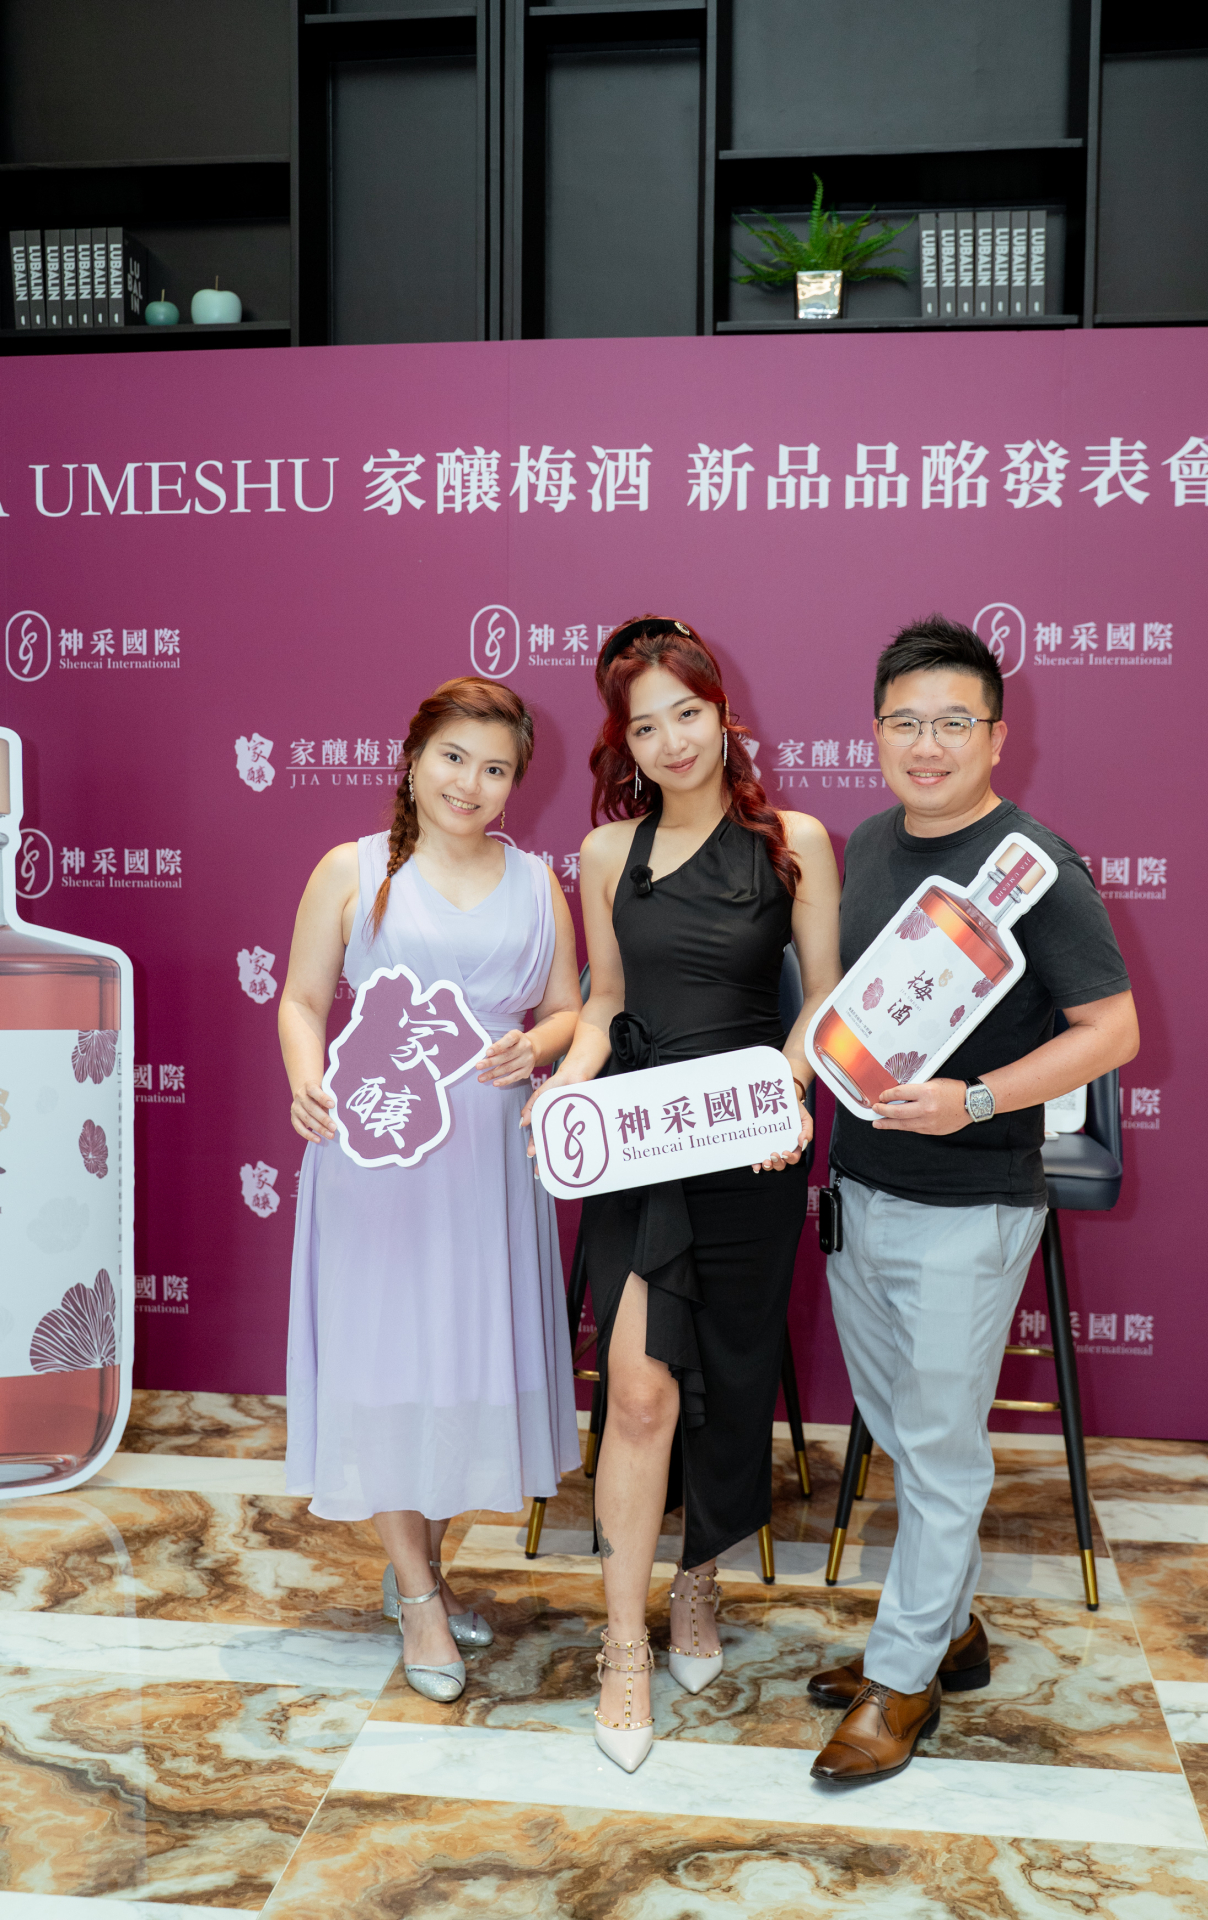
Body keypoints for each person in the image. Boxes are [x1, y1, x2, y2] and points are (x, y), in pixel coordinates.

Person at [807, 615, 1138, 1785]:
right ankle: (946, 1630)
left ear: (996, 735)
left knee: (941, 1449)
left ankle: (900, 1683)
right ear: (874, 734)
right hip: (857, 1190)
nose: (927, 743)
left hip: (970, 1204)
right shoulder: (867, 843)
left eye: (952, 721)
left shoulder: (1034, 867)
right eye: (904, 721)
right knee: (901, 1432)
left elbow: (1111, 1029)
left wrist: (978, 1099)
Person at [527, 617, 842, 1773]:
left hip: (748, 1144)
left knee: (729, 1379)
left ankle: (697, 1578)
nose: (670, 741)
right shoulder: (608, 853)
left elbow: (822, 1000)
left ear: (722, 715)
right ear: (624, 741)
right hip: (638, 1140)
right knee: (639, 1391)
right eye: (645, 725)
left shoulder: (794, 842)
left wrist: (786, 1091)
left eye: (687, 715)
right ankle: (622, 1646)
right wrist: (565, 1089)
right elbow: (605, 1006)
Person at [280, 677, 583, 1702]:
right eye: (453, 757)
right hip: (376, 1158)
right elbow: (302, 999)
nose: (470, 783)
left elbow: (569, 1008)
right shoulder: (354, 870)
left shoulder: (537, 884)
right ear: (413, 760)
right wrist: (305, 1079)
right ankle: (416, 1595)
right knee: (385, 1363)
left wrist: (534, 1046)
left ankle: (425, 1565)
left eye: (495, 769)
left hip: (487, 1160)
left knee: (462, 1368)